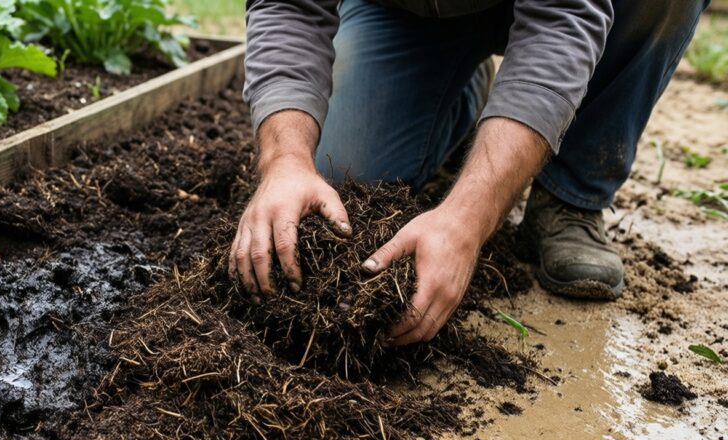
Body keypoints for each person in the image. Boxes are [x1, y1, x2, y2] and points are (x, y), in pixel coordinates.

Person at [229, 0, 708, 346]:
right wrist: (286, 160)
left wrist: (467, 217)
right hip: (405, 13)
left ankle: (571, 196)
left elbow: (564, 21)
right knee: (347, 172)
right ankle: (464, 100)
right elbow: (288, 5)